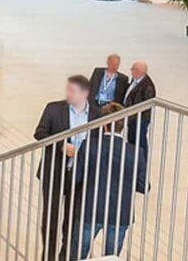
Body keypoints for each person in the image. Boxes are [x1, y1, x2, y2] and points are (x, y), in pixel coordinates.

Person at [34, 75, 102, 261]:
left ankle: (65, 256)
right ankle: (48, 255)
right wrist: (62, 146)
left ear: (85, 93)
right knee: (51, 217)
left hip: (80, 176)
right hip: (55, 172)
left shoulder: (96, 115)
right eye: (68, 89)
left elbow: (98, 143)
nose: (68, 94)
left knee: (72, 218)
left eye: (72, 91)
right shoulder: (54, 109)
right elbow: (40, 133)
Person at [71, 102, 148, 260]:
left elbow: (75, 178)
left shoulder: (90, 146)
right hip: (120, 214)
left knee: (78, 255)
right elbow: (143, 186)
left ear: (103, 124)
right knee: (111, 257)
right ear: (124, 124)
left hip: (90, 210)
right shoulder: (135, 153)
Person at [123, 61, 156, 148]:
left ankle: (142, 160)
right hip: (132, 118)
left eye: (133, 69)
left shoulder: (148, 86)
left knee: (140, 142)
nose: (131, 71)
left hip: (139, 119)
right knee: (132, 141)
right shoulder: (135, 80)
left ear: (139, 71)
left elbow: (146, 106)